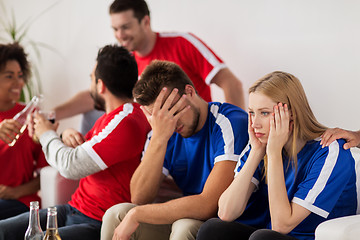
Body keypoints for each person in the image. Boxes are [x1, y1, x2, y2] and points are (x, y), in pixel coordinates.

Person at [0, 45, 151, 240]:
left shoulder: (126, 121)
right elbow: (82, 153)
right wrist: (64, 136)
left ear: (100, 85)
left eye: (91, 78)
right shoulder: (111, 118)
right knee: (3, 230)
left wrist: (47, 134)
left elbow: (70, 166)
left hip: (96, 220)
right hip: (72, 209)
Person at [196, 71, 357, 240]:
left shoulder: (329, 150)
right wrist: (257, 152)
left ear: (291, 114)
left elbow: (281, 225)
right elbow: (226, 212)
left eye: (264, 113)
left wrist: (273, 153)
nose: (254, 123)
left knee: (263, 238)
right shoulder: (260, 143)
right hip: (272, 235)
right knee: (213, 229)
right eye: (251, 112)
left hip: (306, 238)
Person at [100, 60, 249, 240]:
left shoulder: (229, 122)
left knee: (183, 226)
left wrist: (137, 214)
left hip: (226, 224)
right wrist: (159, 138)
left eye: (171, 110)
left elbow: (209, 204)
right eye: (158, 115)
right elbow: (139, 197)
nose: (168, 121)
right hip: (190, 216)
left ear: (190, 91)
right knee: (116, 215)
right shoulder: (163, 131)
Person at [54, 0, 245, 135]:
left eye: (126, 27)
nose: (119, 35)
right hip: (158, 140)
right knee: (93, 115)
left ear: (145, 21)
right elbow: (97, 92)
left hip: (194, 132)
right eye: (115, 29)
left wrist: (233, 133)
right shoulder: (124, 61)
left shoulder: (182, 43)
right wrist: (53, 115)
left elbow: (231, 84)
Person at [0, 42, 48, 220]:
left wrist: (15, 192)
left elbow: (47, 172)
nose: (18, 83)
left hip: (22, 201)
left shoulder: (32, 116)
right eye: (9, 76)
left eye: (20, 76)